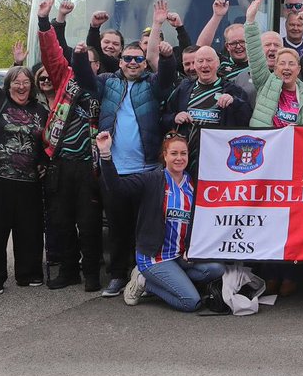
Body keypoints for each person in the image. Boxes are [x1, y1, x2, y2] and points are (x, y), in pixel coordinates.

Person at [73, 0, 177, 297]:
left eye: (138, 60)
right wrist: (79, 56)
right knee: (117, 226)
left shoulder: (152, 85)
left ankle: (146, 275)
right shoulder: (106, 82)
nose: (132, 63)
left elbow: (168, 78)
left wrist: (168, 58)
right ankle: (118, 275)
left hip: (147, 170)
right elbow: (83, 79)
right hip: (114, 170)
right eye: (128, 58)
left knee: (147, 226)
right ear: (119, 61)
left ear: (144, 64)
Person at [95, 131, 226, 311]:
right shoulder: (152, 179)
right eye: (174, 153)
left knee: (217, 269)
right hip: (155, 258)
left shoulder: (193, 184)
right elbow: (117, 188)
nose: (179, 158)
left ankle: (172, 280)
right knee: (190, 302)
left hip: (180, 256)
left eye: (183, 153)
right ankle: (144, 280)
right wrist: (105, 154)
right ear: (164, 156)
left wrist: (193, 247)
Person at [33, 0, 105, 292]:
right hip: (60, 163)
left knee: (89, 223)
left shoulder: (104, 86)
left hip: (90, 165)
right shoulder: (65, 78)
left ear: (98, 65)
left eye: (89, 61)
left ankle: (90, 273)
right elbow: (51, 55)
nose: (83, 64)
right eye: (80, 60)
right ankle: (67, 270)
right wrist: (45, 21)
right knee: (61, 221)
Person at [0, 33, 49, 294]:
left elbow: (46, 143)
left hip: (28, 183)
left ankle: (28, 273)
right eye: (17, 81)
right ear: (9, 85)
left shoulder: (40, 111)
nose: (22, 86)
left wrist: (43, 162)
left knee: (29, 230)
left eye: (26, 82)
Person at [162, 44, 251, 170]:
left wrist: (235, 102)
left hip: (219, 160)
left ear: (218, 63)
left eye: (209, 60)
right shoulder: (184, 88)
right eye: (200, 61)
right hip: (187, 161)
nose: (204, 65)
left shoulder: (232, 90)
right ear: (195, 65)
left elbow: (247, 119)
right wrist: (174, 117)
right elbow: (163, 118)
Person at [244, 0, 303, 128]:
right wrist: (250, 21)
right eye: (282, 64)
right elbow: (255, 54)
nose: (286, 68)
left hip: (294, 147)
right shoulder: (265, 82)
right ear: (276, 67)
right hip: (267, 146)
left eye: (291, 64)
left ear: (299, 69)